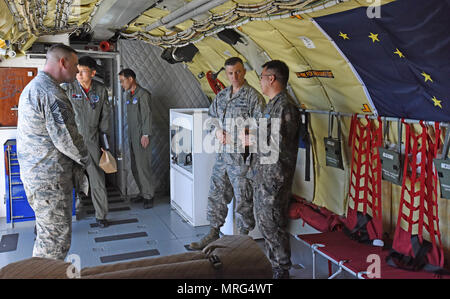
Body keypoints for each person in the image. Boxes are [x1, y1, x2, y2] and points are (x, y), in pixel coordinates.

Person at [17, 44, 89, 260]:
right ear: (63, 62)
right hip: (50, 180)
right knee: (54, 243)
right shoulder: (52, 94)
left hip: (37, 176)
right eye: (75, 65)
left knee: (46, 235)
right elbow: (68, 140)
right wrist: (88, 160)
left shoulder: (34, 87)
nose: (77, 71)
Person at [189, 57, 265, 250]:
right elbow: (211, 119)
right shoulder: (222, 96)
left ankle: (242, 241)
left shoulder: (253, 97)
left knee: (243, 199)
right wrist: (216, 131)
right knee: (217, 194)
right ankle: (213, 233)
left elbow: (264, 127)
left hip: (242, 159)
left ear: (244, 72)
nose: (234, 76)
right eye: (230, 73)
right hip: (223, 157)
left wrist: (249, 134)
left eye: (238, 72)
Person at [245, 60, 301, 279]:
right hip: (263, 174)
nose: (259, 81)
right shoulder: (271, 105)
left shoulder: (285, 107)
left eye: (261, 76)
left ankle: (281, 268)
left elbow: (278, 143)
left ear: (272, 78)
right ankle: (273, 263)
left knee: (272, 222)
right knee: (265, 221)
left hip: (276, 177)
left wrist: (251, 139)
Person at [62, 56, 111, 227]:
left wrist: (105, 143)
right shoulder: (68, 89)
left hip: (91, 141)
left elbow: (105, 117)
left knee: (97, 178)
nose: (79, 75)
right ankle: (61, 219)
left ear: (93, 72)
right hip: (71, 143)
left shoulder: (100, 90)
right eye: (77, 71)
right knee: (66, 180)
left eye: (83, 71)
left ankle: (101, 216)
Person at [118, 68, 154, 209]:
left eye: (122, 81)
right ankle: (142, 191)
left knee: (143, 166)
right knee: (134, 166)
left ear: (130, 79)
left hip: (141, 136)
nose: (121, 84)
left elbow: (147, 116)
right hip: (132, 136)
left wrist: (146, 134)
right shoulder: (129, 95)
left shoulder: (143, 95)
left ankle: (149, 196)